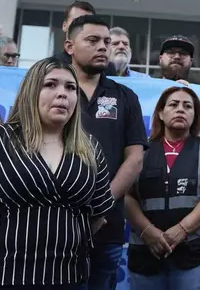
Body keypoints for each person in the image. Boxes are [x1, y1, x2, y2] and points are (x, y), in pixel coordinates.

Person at [0, 57, 114, 288]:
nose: (62, 94)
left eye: (70, 87)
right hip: (2, 275)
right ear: (30, 91)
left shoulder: (90, 149)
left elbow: (98, 214)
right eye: (50, 85)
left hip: (70, 278)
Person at [65, 14, 148, 290]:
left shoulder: (125, 97)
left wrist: (102, 205)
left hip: (108, 227)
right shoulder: (51, 91)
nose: (103, 47)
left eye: (106, 41)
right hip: (54, 228)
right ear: (70, 47)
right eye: (92, 40)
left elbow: (135, 159)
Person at [126, 87, 200, 290]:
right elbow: (127, 195)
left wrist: (182, 230)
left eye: (187, 106)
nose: (180, 109)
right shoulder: (140, 151)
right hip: (146, 255)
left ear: (195, 116)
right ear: (160, 113)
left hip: (195, 254)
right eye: (173, 105)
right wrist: (148, 231)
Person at [56, 1, 118, 76]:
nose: (84, 26)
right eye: (77, 20)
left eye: (88, 21)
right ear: (64, 26)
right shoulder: (52, 66)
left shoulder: (108, 67)